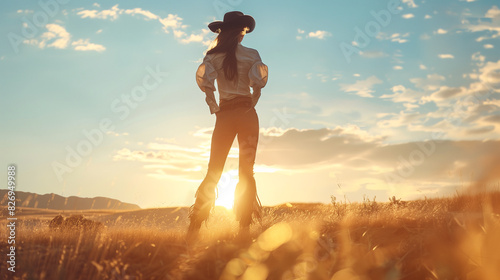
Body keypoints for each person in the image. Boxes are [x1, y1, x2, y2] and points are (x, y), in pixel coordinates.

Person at [187, 11, 268, 241]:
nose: (243, 34)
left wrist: (216, 108)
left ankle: (195, 226)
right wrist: (250, 103)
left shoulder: (213, 56)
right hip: (247, 115)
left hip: (226, 115)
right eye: (243, 31)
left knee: (213, 171)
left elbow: (206, 85)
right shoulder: (252, 54)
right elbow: (258, 87)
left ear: (223, 33)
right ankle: (244, 228)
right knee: (246, 173)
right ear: (240, 32)